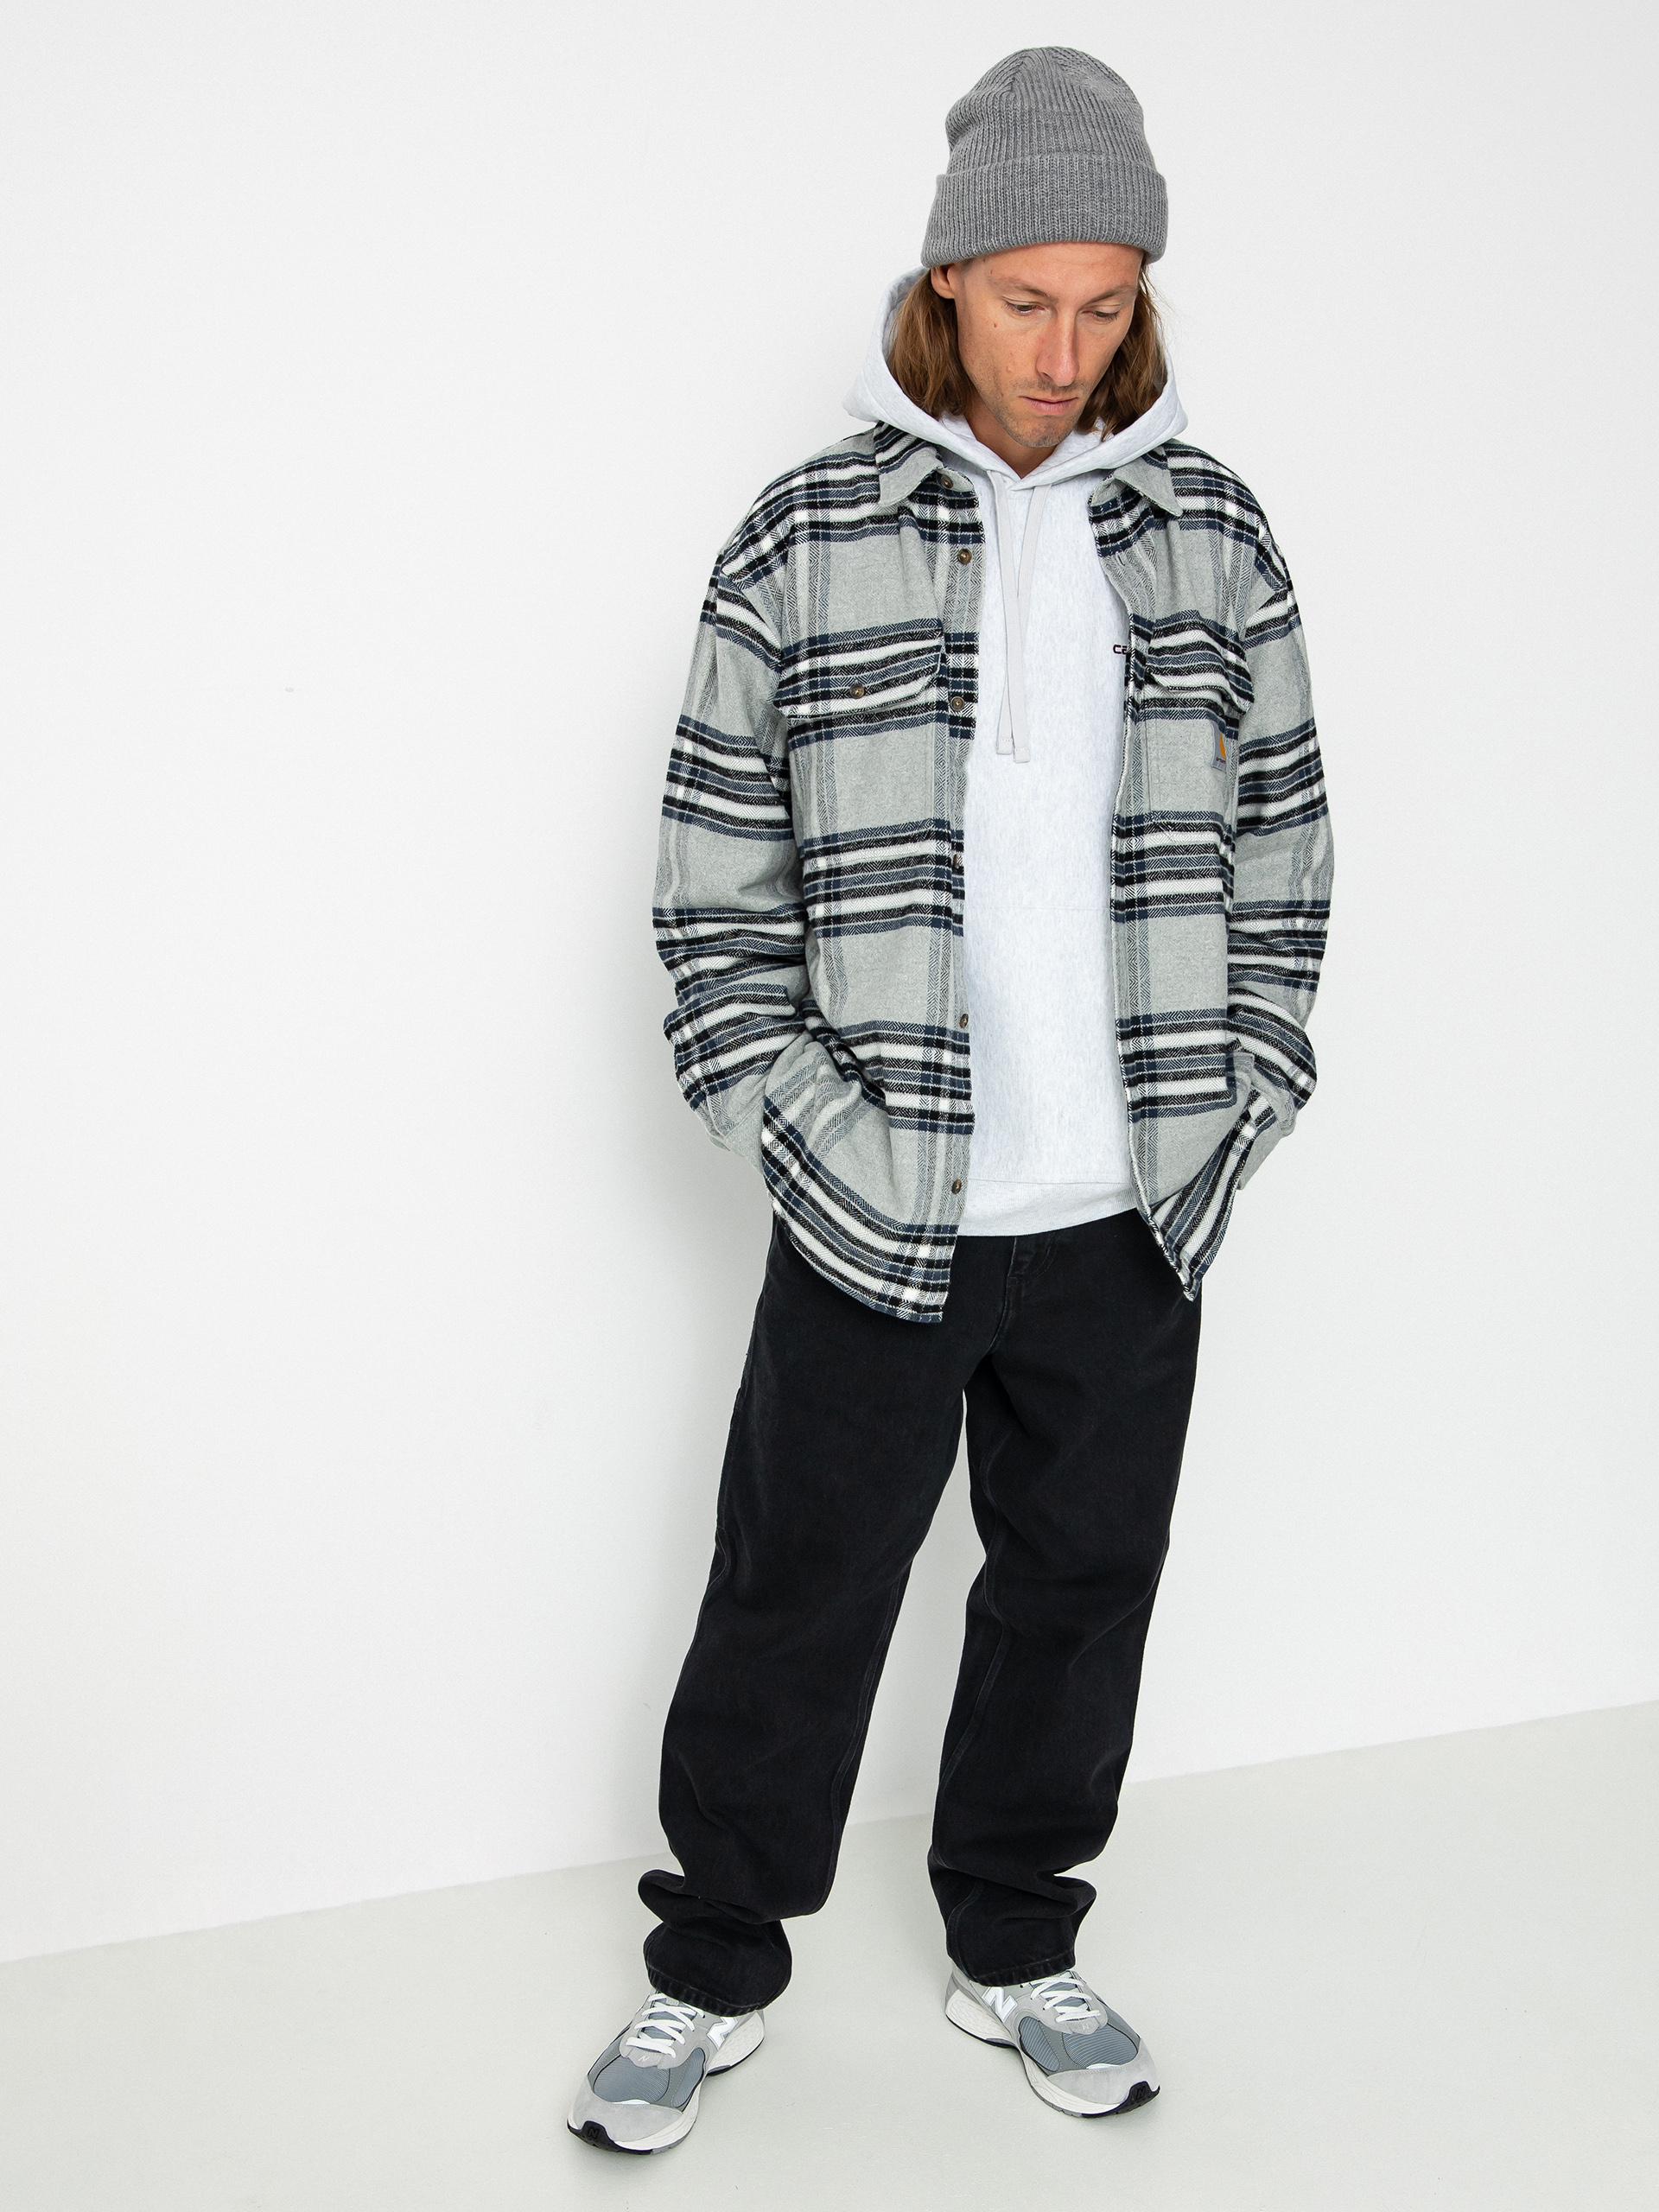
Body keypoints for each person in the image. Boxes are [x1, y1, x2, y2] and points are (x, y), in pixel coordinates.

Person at [569, 46, 1333, 2154]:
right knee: (794, 1591)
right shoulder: (804, 534)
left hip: (1128, 1208)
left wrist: (1241, 1095)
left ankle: (1016, 1936)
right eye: (1024, 302)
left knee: (1079, 1590)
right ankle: (711, 1962)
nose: (1062, 352)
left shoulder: (1212, 532)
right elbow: (712, 894)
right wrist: (804, 1130)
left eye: (1105, 304)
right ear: (944, 286)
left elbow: (1286, 846)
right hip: (880, 1200)